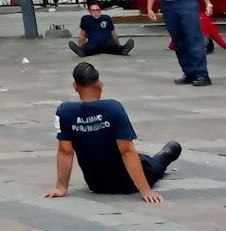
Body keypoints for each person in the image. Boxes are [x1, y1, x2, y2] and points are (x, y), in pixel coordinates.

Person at [45, 60, 182, 203]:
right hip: (127, 184)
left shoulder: (65, 111)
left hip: (97, 184)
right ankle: (170, 150)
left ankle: (147, 159)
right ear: (100, 84)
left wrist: (61, 187)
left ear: (75, 86)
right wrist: (145, 190)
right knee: (158, 161)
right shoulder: (113, 108)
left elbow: (65, 151)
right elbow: (127, 151)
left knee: (140, 158)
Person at [69, 0, 134, 58]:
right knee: (88, 48)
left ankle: (123, 50)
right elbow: (82, 35)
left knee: (114, 47)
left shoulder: (106, 18)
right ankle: (82, 52)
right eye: (93, 10)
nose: (96, 12)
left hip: (108, 44)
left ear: (100, 10)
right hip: (93, 46)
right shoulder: (86, 19)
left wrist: (118, 44)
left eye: (97, 10)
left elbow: (113, 33)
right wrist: (80, 46)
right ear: (89, 11)